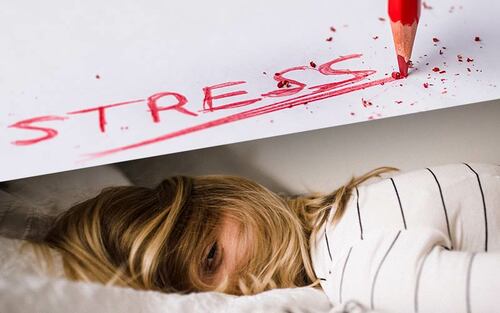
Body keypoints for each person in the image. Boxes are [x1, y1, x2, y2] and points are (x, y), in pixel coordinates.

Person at [28, 162, 500, 312]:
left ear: (226, 197)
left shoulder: (355, 267)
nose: (235, 290)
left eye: (212, 256)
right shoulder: (348, 213)